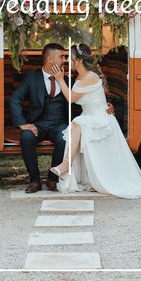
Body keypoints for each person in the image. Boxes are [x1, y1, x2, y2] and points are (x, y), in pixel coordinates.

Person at [50, 43, 141, 199]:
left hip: (100, 119)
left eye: (69, 58)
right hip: (92, 116)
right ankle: (68, 166)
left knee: (77, 124)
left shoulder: (90, 77)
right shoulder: (81, 76)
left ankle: (66, 164)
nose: (66, 61)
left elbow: (71, 98)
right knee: (77, 124)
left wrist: (59, 79)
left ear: (78, 60)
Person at [9, 42, 115, 193]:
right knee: (26, 137)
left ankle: (53, 179)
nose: (65, 59)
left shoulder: (70, 81)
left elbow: (87, 99)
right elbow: (14, 99)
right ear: (50, 59)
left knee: (64, 138)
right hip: (37, 124)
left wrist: (105, 107)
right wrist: (22, 124)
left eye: (66, 57)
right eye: (61, 56)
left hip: (59, 123)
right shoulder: (32, 78)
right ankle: (34, 180)